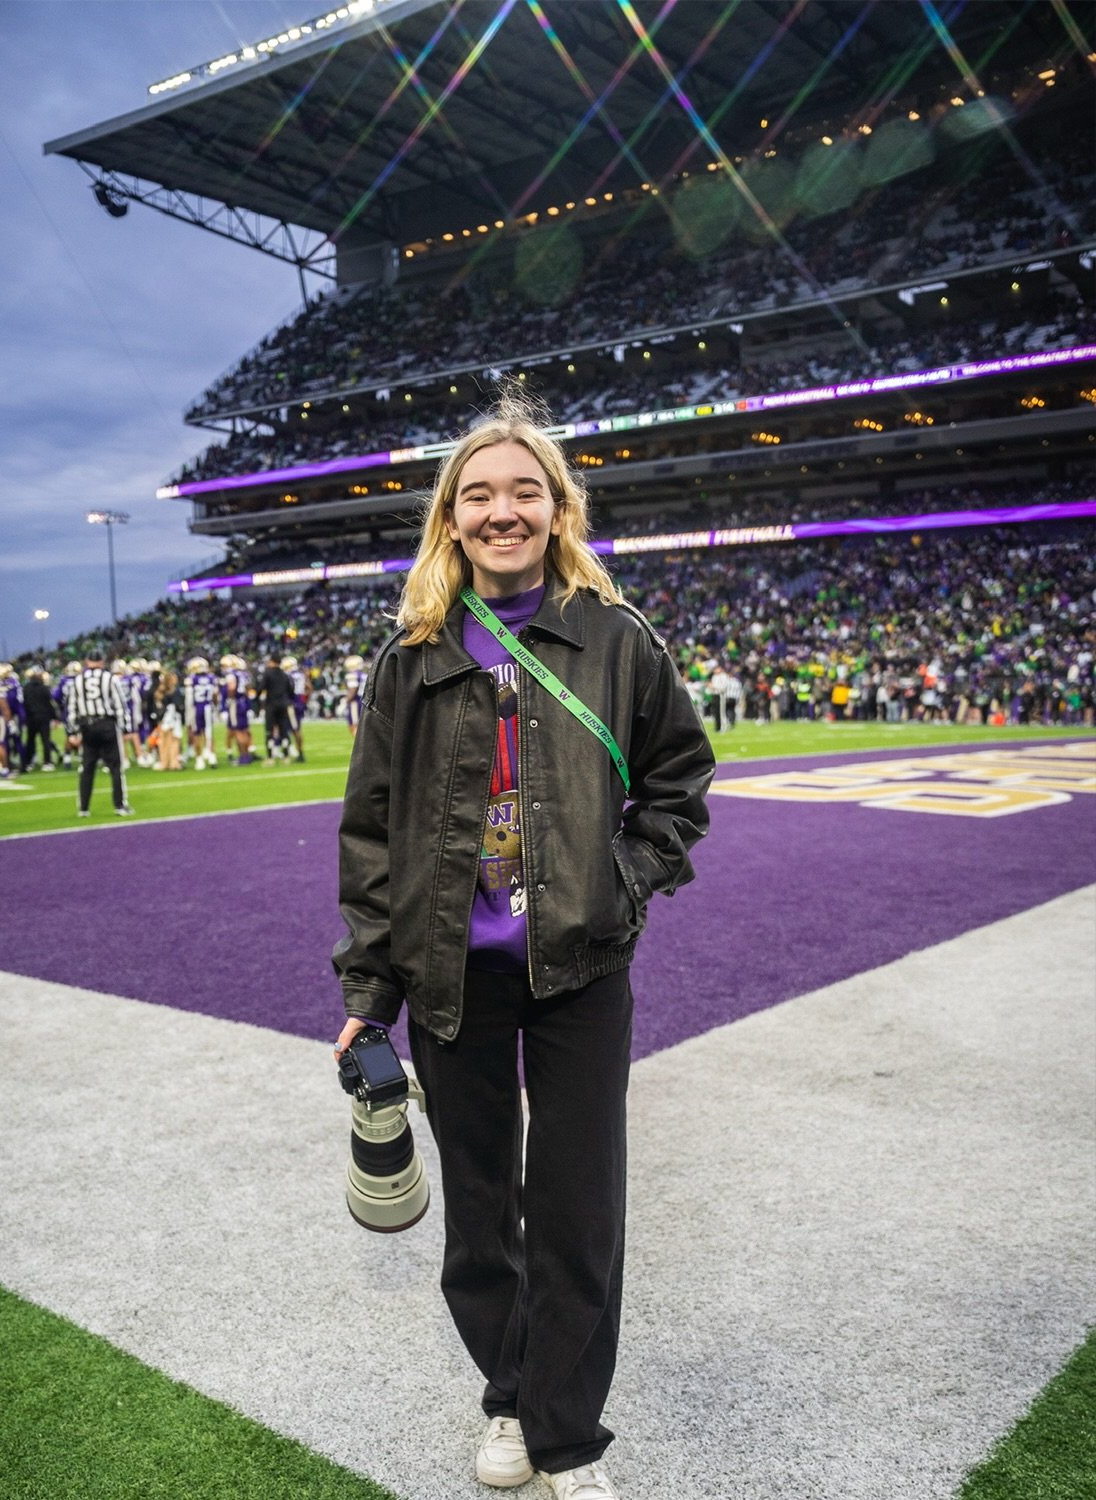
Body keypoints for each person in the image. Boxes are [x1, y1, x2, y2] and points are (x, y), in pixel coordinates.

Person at [332, 391, 715, 1500]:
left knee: (581, 1210)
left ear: (559, 510)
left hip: (582, 967)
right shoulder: (406, 659)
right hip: (449, 971)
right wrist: (369, 987)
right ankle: (506, 1400)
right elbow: (371, 835)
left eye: (526, 492)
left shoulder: (616, 638)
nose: (504, 511)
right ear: (451, 517)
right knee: (480, 1210)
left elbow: (680, 785)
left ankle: (564, 1437)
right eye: (481, 494)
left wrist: (621, 884)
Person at [65, 645, 133, 817]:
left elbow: (71, 708)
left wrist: (72, 732)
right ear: (102, 662)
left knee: (87, 768)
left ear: (87, 662)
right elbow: (120, 705)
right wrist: (126, 728)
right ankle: (120, 805)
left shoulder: (78, 681)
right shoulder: (110, 678)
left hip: (87, 727)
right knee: (116, 768)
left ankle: (83, 808)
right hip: (106, 725)